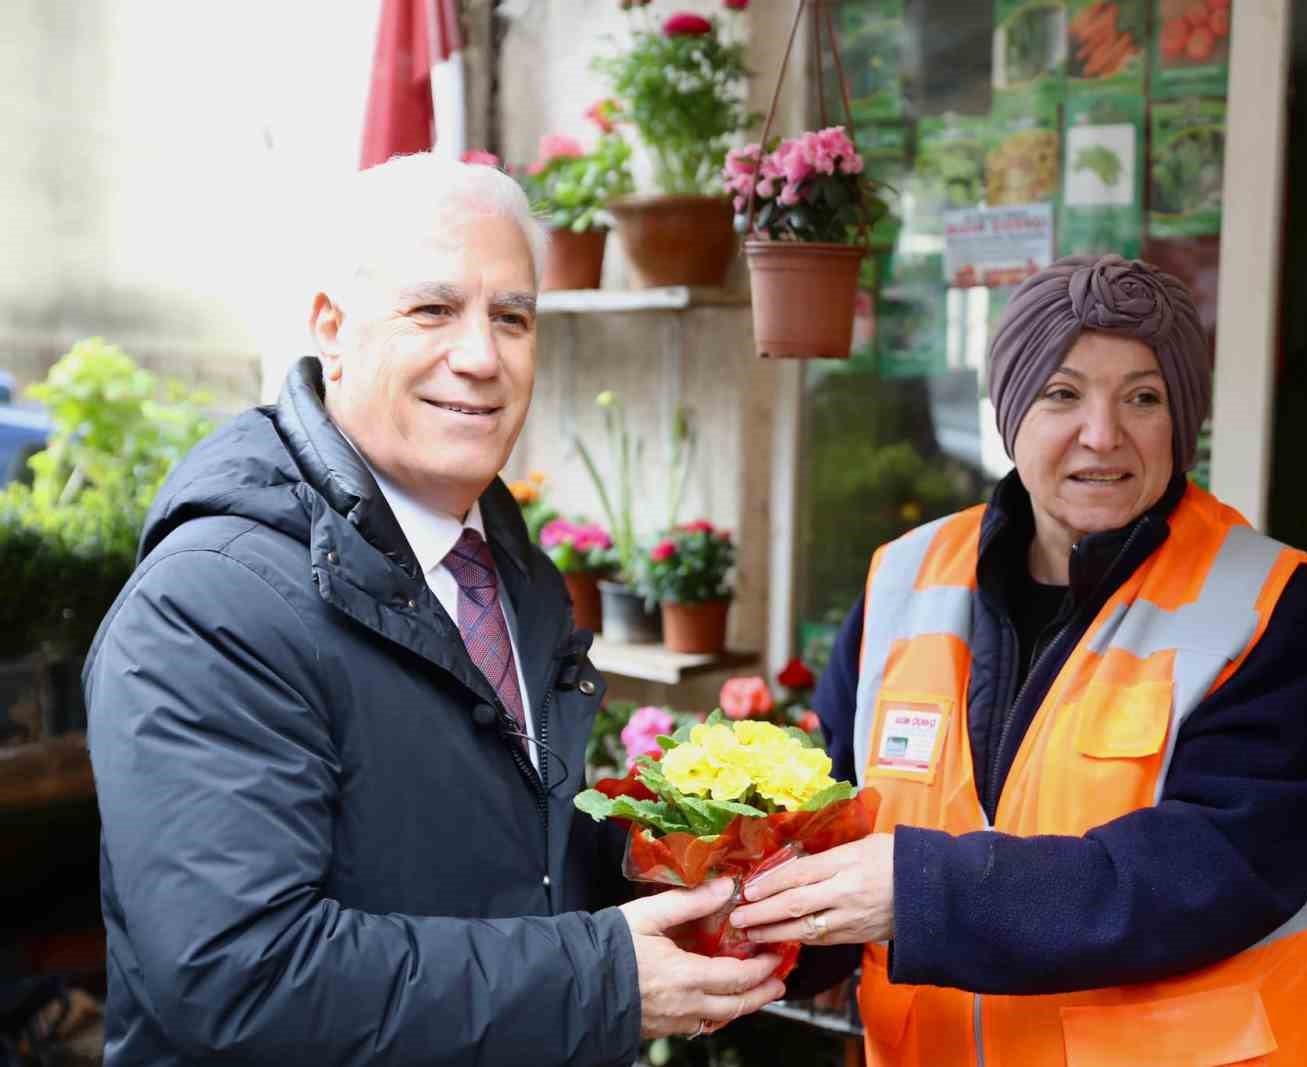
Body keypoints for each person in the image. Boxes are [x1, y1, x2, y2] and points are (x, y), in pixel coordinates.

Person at [84, 153, 784, 1066]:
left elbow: (503, 864)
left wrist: (719, 890)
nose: (481, 356)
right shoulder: (212, 603)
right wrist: (603, 977)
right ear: (331, 329)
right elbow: (242, 975)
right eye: (432, 309)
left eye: (512, 316)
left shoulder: (504, 568)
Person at [732, 255, 1307, 1065]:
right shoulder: (904, 576)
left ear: (1184, 421)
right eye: (1061, 393)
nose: (1102, 435)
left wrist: (920, 891)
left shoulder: (1275, 607)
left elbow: (1206, 873)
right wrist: (757, 935)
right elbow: (836, 821)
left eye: (1144, 396)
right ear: (1009, 411)